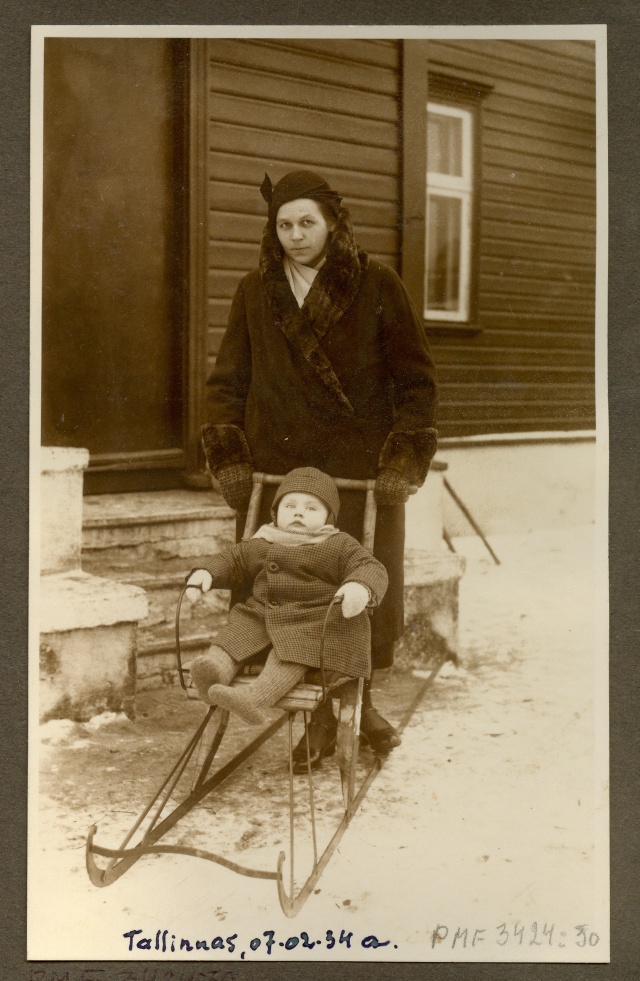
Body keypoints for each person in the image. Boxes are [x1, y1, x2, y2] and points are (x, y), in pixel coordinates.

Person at [201, 169, 438, 768]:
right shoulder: (256, 290)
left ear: (332, 223)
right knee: (281, 586)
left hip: (360, 466)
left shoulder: (377, 283)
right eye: (284, 224)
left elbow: (415, 379)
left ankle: (357, 700)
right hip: (280, 473)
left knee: (356, 584)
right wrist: (231, 458)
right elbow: (227, 381)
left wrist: (402, 460)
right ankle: (319, 718)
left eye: (307, 222)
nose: (296, 235)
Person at [185, 468, 388, 726]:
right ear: (276, 512)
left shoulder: (338, 544)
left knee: (292, 653)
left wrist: (359, 586)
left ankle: (255, 699)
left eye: (311, 508)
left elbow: (369, 566)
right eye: (290, 506)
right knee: (234, 635)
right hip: (261, 615)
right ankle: (214, 673)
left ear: (328, 517)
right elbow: (233, 560)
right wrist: (207, 572)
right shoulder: (264, 540)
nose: (298, 513)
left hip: (312, 621)